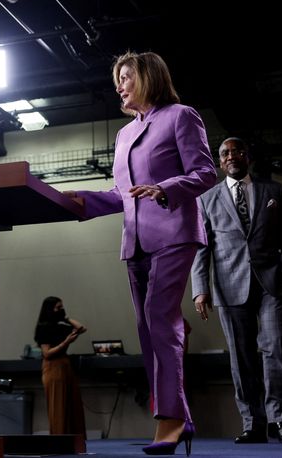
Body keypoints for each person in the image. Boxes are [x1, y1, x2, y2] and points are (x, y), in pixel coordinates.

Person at [68, 51, 215, 455]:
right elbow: (121, 194)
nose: (119, 85)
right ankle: (175, 416)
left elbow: (205, 172)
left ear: (148, 77)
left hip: (173, 233)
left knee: (161, 320)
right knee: (147, 328)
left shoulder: (181, 116)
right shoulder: (124, 135)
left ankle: (171, 418)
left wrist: (166, 188)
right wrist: (74, 202)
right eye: (117, 78)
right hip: (135, 240)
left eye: (126, 76)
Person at [191, 137, 282, 444]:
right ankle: (253, 422)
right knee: (241, 357)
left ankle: (278, 421)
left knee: (276, 347)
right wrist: (200, 289)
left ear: (247, 155)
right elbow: (201, 248)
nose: (231, 156)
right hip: (228, 286)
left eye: (236, 150)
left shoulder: (273, 191)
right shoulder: (206, 198)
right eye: (224, 153)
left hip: (271, 285)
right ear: (219, 160)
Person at [33, 296, 86, 439]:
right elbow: (47, 353)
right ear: (49, 309)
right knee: (58, 407)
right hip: (53, 368)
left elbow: (81, 328)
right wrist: (66, 342)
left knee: (72, 405)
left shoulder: (62, 327)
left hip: (65, 365)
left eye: (62, 307)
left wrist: (66, 317)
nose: (60, 310)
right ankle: (59, 440)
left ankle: (75, 440)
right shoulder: (44, 328)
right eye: (58, 308)